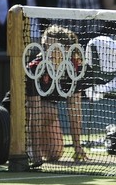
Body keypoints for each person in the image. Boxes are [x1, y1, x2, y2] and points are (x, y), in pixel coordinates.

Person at [26, 25, 87, 167]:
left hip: (46, 115)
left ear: (66, 49)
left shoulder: (74, 68)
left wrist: (77, 147)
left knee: (54, 154)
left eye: (52, 46)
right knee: (49, 110)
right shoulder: (36, 67)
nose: (48, 50)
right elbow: (34, 110)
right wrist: (35, 153)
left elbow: (75, 110)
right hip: (22, 113)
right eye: (45, 46)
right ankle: (27, 146)